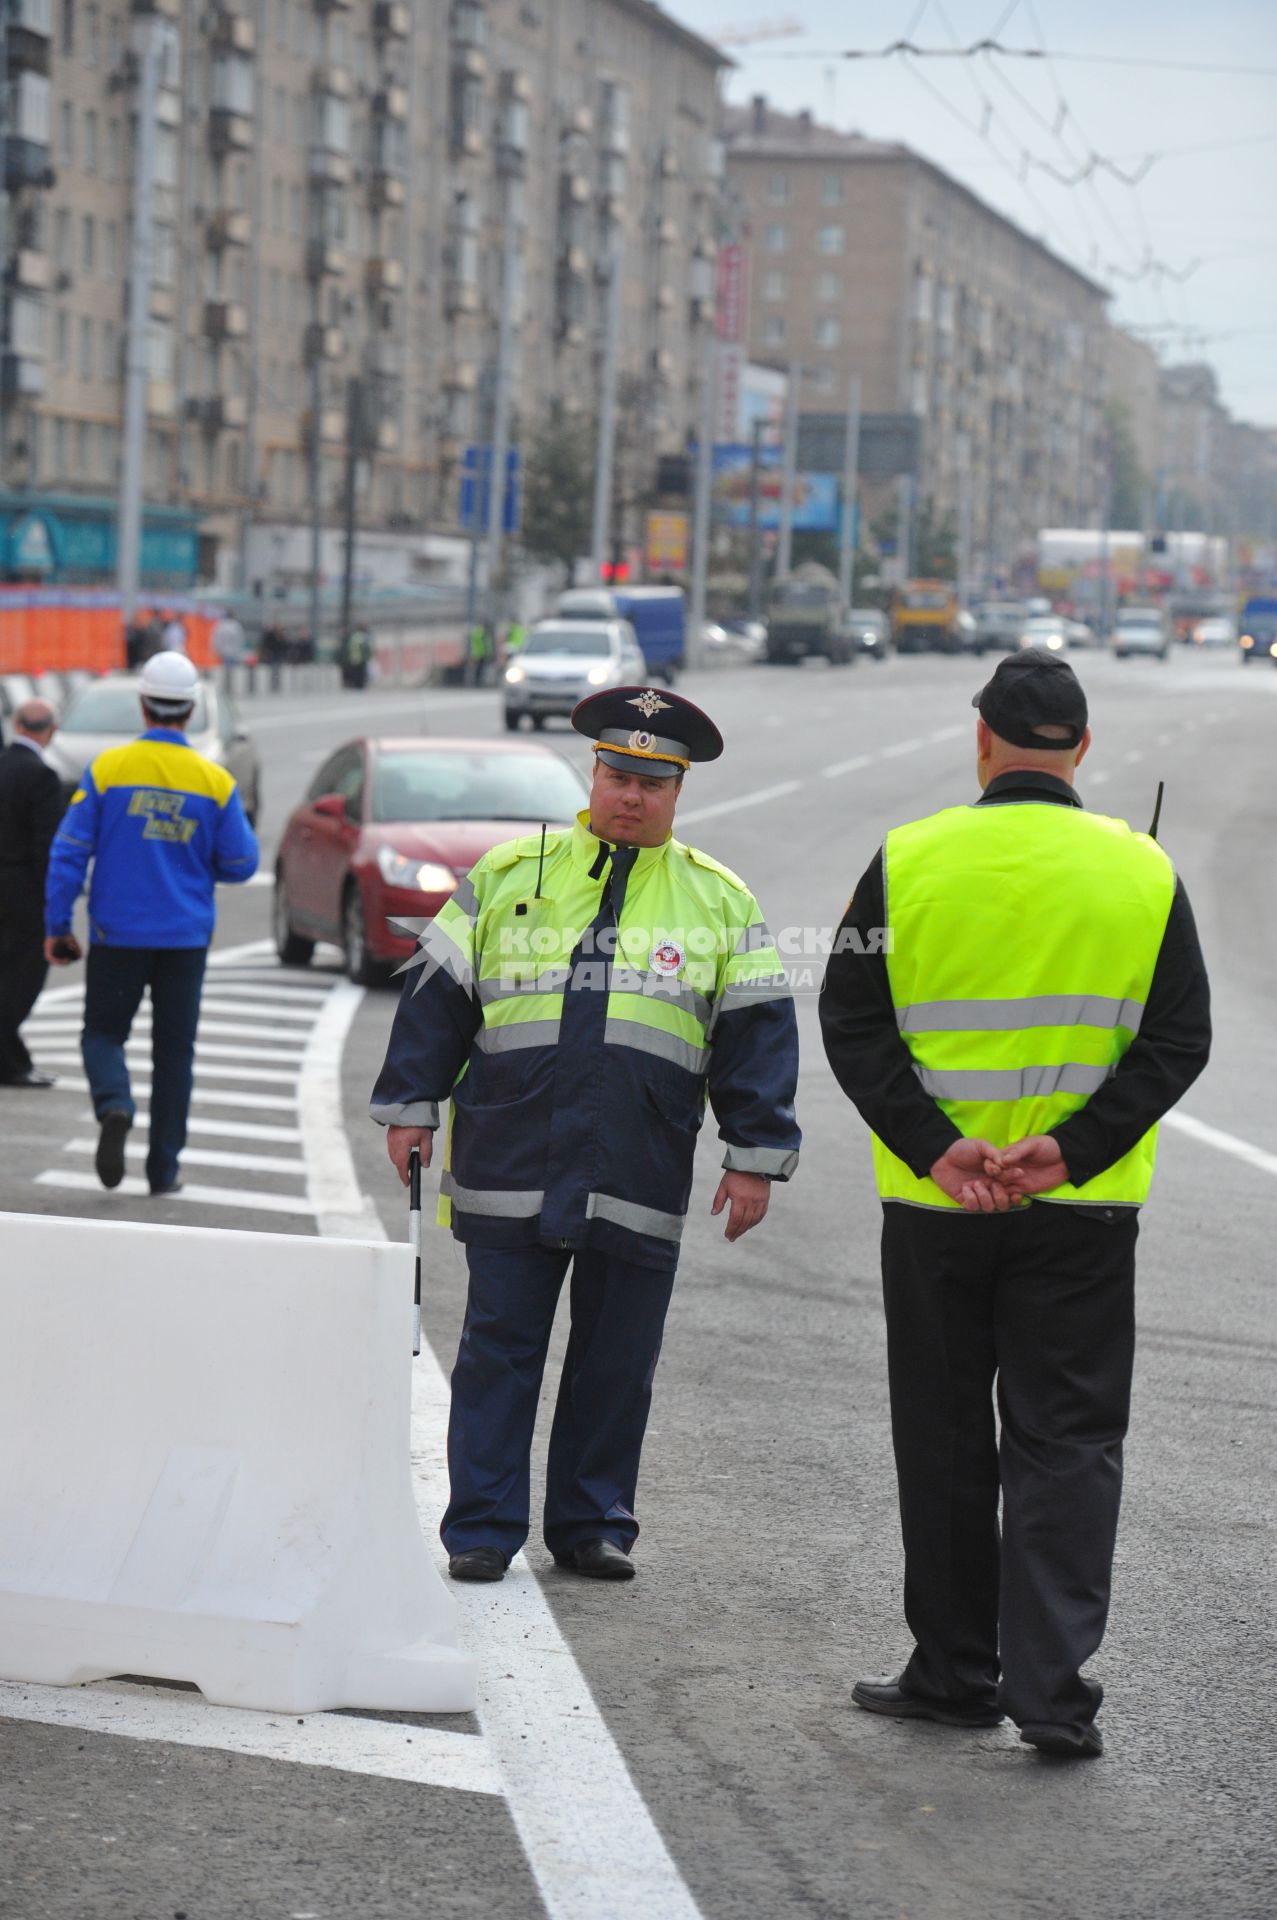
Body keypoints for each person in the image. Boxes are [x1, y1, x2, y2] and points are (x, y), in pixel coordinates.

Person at [819, 649, 1211, 1760]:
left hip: (935, 1210)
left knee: (943, 1439)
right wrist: (1070, 1150)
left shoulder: (903, 861)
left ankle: (951, 1674)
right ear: (1081, 750)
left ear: (979, 738)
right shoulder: (1142, 871)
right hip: (1079, 1216)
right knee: (1066, 1443)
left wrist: (940, 1149)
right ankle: (1052, 1695)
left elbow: (850, 1022)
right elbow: (1178, 1041)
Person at [371, 686, 800, 1584]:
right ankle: (482, 1528)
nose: (629, 795)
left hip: (636, 1161)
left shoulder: (718, 901)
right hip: (510, 1156)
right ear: (592, 774)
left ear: (677, 791)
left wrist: (753, 1156)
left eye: (651, 781)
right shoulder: (505, 876)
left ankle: (592, 1521)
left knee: (617, 1360)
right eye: (616, 775)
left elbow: (756, 1032)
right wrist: (413, 1104)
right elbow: (437, 997)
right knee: (499, 1349)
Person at [44, 651, 259, 1196]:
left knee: (102, 1033)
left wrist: (57, 923)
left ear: (144, 705)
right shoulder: (214, 780)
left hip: (118, 933)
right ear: (189, 709)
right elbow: (242, 863)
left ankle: (115, 1102)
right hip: (185, 938)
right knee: (174, 1053)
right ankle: (164, 1170)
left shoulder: (108, 770)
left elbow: (68, 852)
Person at [0, 700, 65, 1089]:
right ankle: (11, 1063)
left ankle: (12, 1059)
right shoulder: (41, 777)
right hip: (23, 891)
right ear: (50, 731)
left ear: (17, 725)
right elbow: (48, 846)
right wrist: (54, 900)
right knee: (23, 978)